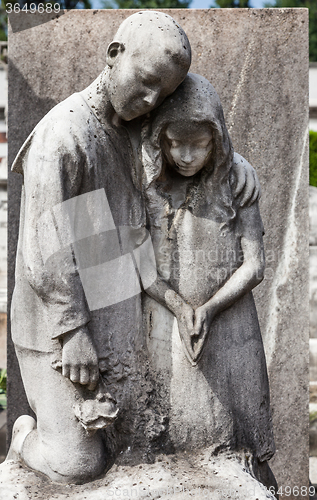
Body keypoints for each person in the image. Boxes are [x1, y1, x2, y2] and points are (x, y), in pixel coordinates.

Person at [7, 13, 261, 484]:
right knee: (77, 465)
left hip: (117, 305)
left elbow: (195, 127)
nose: (149, 101)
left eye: (160, 95)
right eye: (144, 84)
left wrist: (234, 163)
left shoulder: (132, 129)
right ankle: (24, 436)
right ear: (113, 55)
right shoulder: (61, 138)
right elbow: (44, 251)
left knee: (137, 443)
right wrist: (73, 333)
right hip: (59, 325)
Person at [141, 73, 275, 482]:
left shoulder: (235, 182)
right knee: (175, 446)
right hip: (165, 324)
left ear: (216, 142)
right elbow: (138, 267)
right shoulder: (146, 187)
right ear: (159, 141)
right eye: (174, 144)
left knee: (244, 447)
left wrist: (210, 309)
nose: (185, 155)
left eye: (199, 146)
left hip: (232, 327)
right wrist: (180, 307)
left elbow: (255, 265)